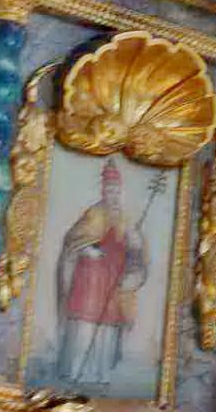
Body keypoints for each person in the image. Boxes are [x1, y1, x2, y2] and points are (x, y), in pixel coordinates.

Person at [54, 161, 150, 387]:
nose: (113, 195)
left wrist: (135, 243)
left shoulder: (125, 219)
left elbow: (135, 251)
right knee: (85, 325)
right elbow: (73, 240)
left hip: (111, 281)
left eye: (116, 190)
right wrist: (88, 249)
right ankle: (75, 372)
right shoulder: (93, 214)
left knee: (107, 328)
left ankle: (100, 374)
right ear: (103, 191)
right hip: (90, 281)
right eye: (109, 190)